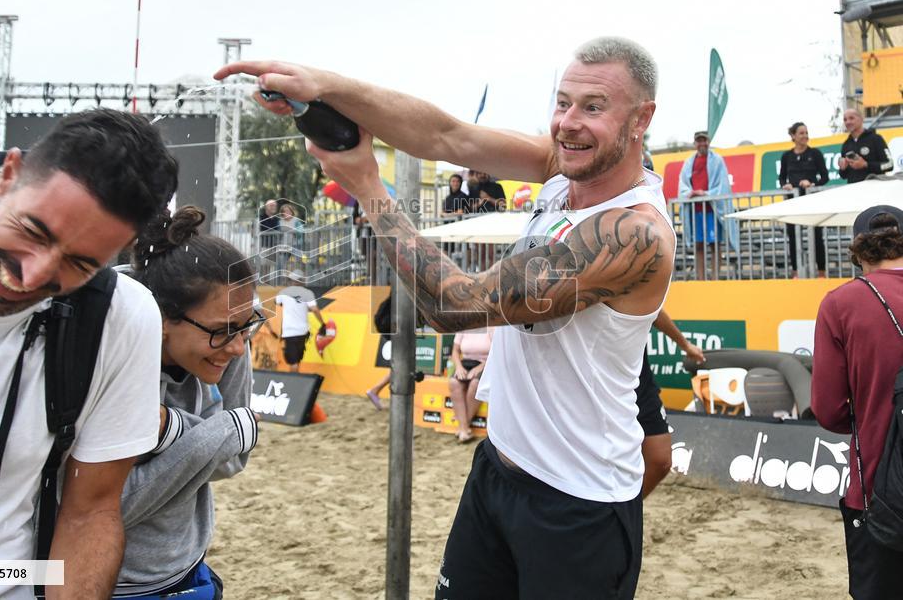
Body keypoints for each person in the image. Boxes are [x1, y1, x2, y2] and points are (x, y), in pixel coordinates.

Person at [220, 35, 676, 599]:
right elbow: (445, 135)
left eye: (593, 107)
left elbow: (455, 304)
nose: (568, 123)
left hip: (578, 502)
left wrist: (368, 187)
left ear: (641, 119)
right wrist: (325, 86)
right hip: (499, 470)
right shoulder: (562, 172)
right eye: (562, 103)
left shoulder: (635, 232)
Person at [0, 108, 178, 599]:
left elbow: (89, 512)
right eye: (34, 231)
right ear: (8, 177)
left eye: (80, 263)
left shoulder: (120, 316)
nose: (32, 276)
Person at [113, 206, 261, 599]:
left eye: (246, 326)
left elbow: (234, 459)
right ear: (161, 318)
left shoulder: (228, 340)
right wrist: (224, 430)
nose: (237, 347)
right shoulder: (107, 351)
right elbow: (107, 508)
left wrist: (169, 431)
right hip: (109, 580)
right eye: (222, 332)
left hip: (188, 566)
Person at [812, 205, 903, 598]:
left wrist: (871, 413)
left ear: (857, 251)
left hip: (878, 489)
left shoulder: (842, 303)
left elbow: (829, 409)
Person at [638, 309, 706, 497]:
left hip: (638, 382)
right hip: (600, 388)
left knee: (660, 460)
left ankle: (626, 511)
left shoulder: (636, 284)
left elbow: (654, 310)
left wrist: (685, 345)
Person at [677, 130, 738, 280]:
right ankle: (700, 278)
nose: (702, 143)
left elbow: (723, 185)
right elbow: (683, 185)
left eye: (704, 140)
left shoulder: (717, 160)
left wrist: (705, 193)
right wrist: (690, 193)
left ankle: (715, 277)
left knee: (715, 244)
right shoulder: (689, 162)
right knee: (698, 245)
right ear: (695, 143)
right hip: (695, 210)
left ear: (709, 142)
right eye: (699, 141)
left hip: (712, 209)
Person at [779, 122, 830, 277]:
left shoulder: (815, 153)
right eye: (801, 133)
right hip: (793, 201)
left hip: (812, 200)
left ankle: (821, 273)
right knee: (793, 236)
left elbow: (825, 177)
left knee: (816, 236)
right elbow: (781, 178)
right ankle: (795, 273)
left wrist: (812, 184)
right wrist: (785, 185)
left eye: (806, 132)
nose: (805, 136)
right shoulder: (786, 156)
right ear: (793, 136)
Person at [264, 273, 327, 373]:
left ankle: (293, 384)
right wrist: (322, 323)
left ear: (292, 281)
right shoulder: (307, 292)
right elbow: (314, 309)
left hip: (290, 332)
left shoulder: (284, 292)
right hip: (303, 332)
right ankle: (295, 381)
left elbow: (276, 302)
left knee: (293, 362)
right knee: (297, 359)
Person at [448, 327, 496, 443]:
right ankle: (465, 429)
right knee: (454, 382)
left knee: (475, 384)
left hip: (485, 363)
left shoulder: (492, 327)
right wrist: (459, 367)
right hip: (465, 363)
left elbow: (496, 352)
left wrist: (480, 367)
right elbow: (455, 351)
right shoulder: (464, 326)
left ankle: (463, 427)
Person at [839, 108, 893, 184]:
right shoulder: (846, 145)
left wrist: (865, 164)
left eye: (851, 118)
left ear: (861, 119)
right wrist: (843, 168)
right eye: (845, 120)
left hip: (875, 189)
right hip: (853, 190)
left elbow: (889, 165)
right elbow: (843, 176)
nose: (848, 122)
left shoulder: (876, 139)